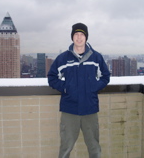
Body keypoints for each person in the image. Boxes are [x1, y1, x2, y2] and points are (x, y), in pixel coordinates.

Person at [47, 23, 110, 158]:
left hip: (90, 109)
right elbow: (52, 78)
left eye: (82, 35)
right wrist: (65, 87)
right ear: (72, 37)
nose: (79, 37)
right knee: (65, 147)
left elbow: (106, 76)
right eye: (76, 34)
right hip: (69, 109)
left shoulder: (96, 58)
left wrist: (94, 87)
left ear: (86, 37)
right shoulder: (63, 58)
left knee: (94, 147)